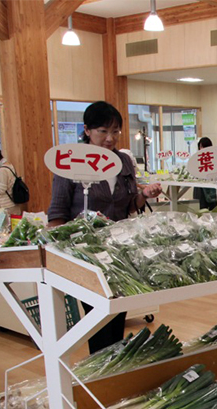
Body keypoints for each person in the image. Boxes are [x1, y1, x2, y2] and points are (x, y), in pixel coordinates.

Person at [48, 101, 162, 353]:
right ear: (87, 130)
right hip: (86, 255)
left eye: (116, 132)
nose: (110, 138)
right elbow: (56, 215)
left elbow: (130, 206)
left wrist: (143, 193)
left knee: (118, 314)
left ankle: (114, 371)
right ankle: (100, 370)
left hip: (120, 252)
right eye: (103, 131)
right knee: (97, 319)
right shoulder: (71, 162)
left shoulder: (122, 161)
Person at [194, 136, 217, 211]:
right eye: (202, 147)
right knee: (201, 208)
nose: (203, 149)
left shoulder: (214, 158)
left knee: (213, 207)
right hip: (200, 187)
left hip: (211, 187)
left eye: (205, 147)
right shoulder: (196, 159)